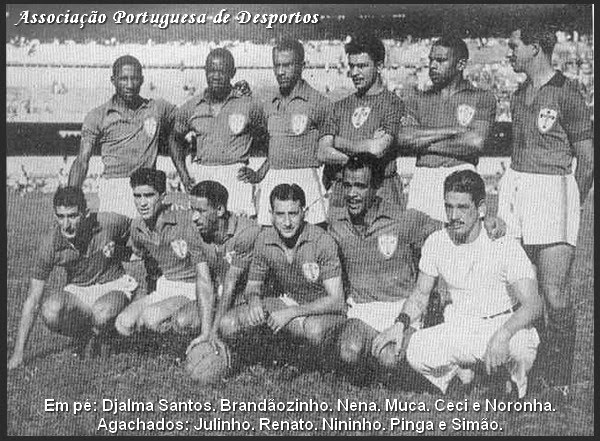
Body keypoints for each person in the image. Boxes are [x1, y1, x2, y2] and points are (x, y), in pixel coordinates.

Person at [375, 170, 542, 399]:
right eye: (449, 207)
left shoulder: (503, 243)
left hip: (502, 323)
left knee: (521, 346)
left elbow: (533, 304)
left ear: (481, 208)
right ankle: (460, 376)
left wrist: (503, 335)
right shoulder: (436, 242)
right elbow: (420, 295)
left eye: (463, 207)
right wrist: (399, 324)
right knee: (414, 349)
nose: (454, 215)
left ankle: (509, 382)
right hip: (461, 326)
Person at [500, 25, 594, 389]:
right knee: (523, 288)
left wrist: (569, 199)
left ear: (535, 47)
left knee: (554, 293)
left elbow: (587, 158)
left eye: (513, 45)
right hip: (518, 187)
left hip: (553, 189)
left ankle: (560, 379)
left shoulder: (567, 92)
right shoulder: (519, 93)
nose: (509, 52)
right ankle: (527, 370)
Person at [328, 155, 442, 376]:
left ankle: (409, 349)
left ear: (377, 187)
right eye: (347, 185)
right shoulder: (336, 223)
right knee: (348, 352)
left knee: (389, 359)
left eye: (361, 186)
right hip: (362, 309)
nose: (352, 194)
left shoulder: (404, 219)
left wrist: (488, 222)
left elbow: (448, 232)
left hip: (401, 308)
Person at [8, 187, 137, 369]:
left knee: (102, 312)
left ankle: (108, 334)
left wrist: (127, 253)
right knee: (50, 310)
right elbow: (33, 299)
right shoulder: (51, 243)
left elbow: (138, 229)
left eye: (72, 216)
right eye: (61, 216)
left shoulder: (108, 221)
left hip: (113, 284)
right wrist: (18, 354)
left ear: (85, 213)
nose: (66, 224)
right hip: (79, 289)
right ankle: (88, 334)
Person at [217, 184, 346, 350]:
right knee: (229, 322)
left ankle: (314, 361)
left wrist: (292, 313)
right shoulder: (264, 240)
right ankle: (257, 357)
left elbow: (337, 301)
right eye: (280, 214)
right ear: (271, 215)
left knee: (314, 330)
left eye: (293, 214)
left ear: (304, 212)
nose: (286, 222)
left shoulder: (322, 241)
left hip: (322, 310)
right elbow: (252, 288)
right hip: (289, 302)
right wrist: (254, 300)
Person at [398, 35, 496, 221]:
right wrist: (452, 131)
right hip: (423, 179)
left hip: (461, 178)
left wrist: (422, 141)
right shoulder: (417, 97)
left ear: (460, 64)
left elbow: (475, 142)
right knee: (419, 244)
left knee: (460, 244)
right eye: (431, 60)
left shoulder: (481, 97)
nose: (433, 66)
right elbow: (404, 138)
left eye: (441, 60)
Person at [69, 55, 176, 219]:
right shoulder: (98, 116)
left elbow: (187, 118)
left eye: (134, 79)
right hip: (114, 189)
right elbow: (82, 160)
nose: (130, 85)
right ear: (113, 80)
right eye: (123, 79)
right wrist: (71, 197)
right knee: (112, 242)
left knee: (148, 242)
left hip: (146, 189)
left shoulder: (157, 108)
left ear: (142, 80)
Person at [240, 39, 332, 226]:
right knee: (269, 240)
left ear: (302, 66)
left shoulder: (319, 103)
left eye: (287, 65)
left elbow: (330, 147)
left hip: (306, 181)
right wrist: (259, 174)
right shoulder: (269, 103)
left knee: (310, 243)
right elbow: (275, 148)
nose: (280, 72)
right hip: (274, 180)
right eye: (277, 65)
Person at [114, 168, 213, 338]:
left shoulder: (186, 220)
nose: (142, 203)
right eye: (137, 196)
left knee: (151, 318)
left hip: (192, 287)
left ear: (163, 196)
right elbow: (147, 260)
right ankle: (157, 338)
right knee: (123, 324)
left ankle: (184, 337)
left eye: (149, 195)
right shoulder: (137, 227)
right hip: (166, 285)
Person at [166, 181, 261, 351]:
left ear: (219, 210)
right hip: (220, 295)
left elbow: (231, 284)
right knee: (182, 321)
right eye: (192, 210)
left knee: (227, 325)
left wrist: (214, 331)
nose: (194, 217)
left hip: (245, 298)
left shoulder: (247, 232)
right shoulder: (194, 231)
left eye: (201, 211)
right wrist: (205, 332)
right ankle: (210, 341)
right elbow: (203, 281)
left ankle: (247, 352)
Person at [171, 48, 266, 215]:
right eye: (211, 70)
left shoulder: (249, 105)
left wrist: (259, 173)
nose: (215, 76)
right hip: (203, 175)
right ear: (205, 71)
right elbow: (174, 138)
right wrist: (184, 175)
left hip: (236, 179)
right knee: (203, 233)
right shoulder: (192, 106)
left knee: (239, 235)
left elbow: (272, 136)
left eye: (222, 71)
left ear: (232, 72)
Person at [319, 33, 405, 213]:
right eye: (352, 66)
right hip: (343, 194)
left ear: (379, 66)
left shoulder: (393, 103)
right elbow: (322, 152)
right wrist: (359, 155)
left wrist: (338, 142)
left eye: (362, 66)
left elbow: (378, 149)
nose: (355, 73)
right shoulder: (339, 106)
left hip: (382, 192)